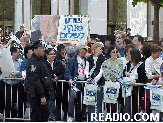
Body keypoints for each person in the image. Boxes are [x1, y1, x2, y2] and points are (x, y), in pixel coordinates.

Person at [25, 40, 49, 122]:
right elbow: (35, 80)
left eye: (43, 48)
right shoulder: (33, 62)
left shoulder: (40, 60)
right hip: (36, 94)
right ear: (35, 50)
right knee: (37, 116)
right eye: (41, 48)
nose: (43, 50)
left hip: (43, 91)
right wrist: (42, 96)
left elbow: (44, 74)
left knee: (44, 116)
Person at [64, 44, 89, 122]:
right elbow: (68, 71)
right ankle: (70, 115)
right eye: (84, 49)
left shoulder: (86, 60)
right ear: (79, 50)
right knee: (72, 98)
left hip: (84, 82)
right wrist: (69, 78)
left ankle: (82, 115)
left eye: (86, 49)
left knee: (84, 100)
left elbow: (88, 71)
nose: (85, 51)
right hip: (75, 82)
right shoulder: (72, 60)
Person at [123, 48, 147, 121]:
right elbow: (123, 73)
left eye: (130, 54)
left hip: (137, 89)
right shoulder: (128, 64)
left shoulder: (141, 65)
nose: (128, 55)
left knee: (135, 107)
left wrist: (135, 81)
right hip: (127, 88)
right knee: (127, 107)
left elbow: (143, 78)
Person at [102, 45, 123, 118]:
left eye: (116, 52)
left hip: (118, 85)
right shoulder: (106, 62)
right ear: (110, 53)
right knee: (108, 104)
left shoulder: (120, 62)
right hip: (109, 85)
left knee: (116, 104)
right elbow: (104, 73)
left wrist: (115, 77)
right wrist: (109, 77)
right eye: (113, 52)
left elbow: (121, 72)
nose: (115, 53)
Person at [87, 42, 106, 121]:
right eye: (100, 48)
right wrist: (88, 78)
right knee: (90, 102)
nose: (101, 50)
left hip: (99, 83)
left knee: (99, 102)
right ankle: (91, 119)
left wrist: (95, 80)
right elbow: (86, 69)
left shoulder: (103, 58)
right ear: (95, 49)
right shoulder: (89, 58)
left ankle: (98, 119)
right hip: (90, 83)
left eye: (102, 48)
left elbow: (102, 71)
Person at [143, 44, 163, 114]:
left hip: (159, 84)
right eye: (158, 53)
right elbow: (149, 75)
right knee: (150, 103)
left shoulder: (160, 60)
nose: (159, 55)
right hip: (151, 84)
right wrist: (156, 76)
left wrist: (157, 76)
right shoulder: (148, 61)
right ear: (152, 53)